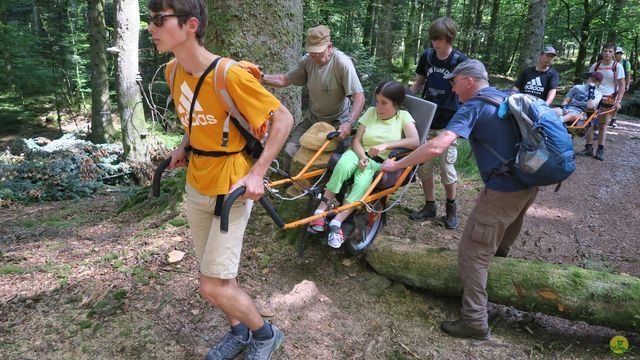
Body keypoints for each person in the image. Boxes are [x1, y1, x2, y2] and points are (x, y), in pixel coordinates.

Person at [147, 1, 294, 359]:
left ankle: (265, 333)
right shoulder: (171, 72)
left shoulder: (227, 74)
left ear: (190, 25)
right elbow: (193, 119)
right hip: (196, 183)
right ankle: (240, 331)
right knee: (218, 277)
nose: (150, 28)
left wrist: (257, 173)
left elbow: (284, 119)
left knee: (211, 285)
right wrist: (185, 146)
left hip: (230, 189)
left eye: (158, 20)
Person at [381, 59, 539, 341]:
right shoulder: (506, 97)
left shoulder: (474, 106)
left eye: (454, 83)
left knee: (472, 252)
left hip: (505, 188)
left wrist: (398, 164)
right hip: (529, 181)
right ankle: (499, 270)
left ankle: (475, 320)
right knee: (506, 230)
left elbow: (438, 145)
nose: (453, 90)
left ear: (468, 81)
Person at [308, 80, 419, 248]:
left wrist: (386, 145)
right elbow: (357, 141)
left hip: (378, 162)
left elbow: (415, 141)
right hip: (358, 153)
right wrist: (361, 157)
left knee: (363, 180)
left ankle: (337, 223)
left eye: (384, 103)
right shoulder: (371, 112)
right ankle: (319, 212)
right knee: (344, 164)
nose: (379, 107)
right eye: (377, 101)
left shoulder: (403, 117)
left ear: (395, 104)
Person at [262, 25, 365, 171]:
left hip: (338, 122)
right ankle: (288, 188)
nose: (314, 57)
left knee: (334, 162)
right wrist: (260, 77)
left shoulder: (342, 63)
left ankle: (323, 192)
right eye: (311, 53)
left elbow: (359, 97)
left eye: (318, 52)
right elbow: (284, 80)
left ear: (329, 46)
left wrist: (349, 123)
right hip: (313, 119)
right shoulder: (307, 61)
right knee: (290, 152)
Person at [408, 17, 468, 229]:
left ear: (449, 38)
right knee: (424, 166)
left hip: (449, 121)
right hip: (427, 119)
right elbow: (419, 83)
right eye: (433, 39)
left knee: (446, 166)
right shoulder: (427, 56)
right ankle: (429, 205)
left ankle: (451, 207)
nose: (435, 43)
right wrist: (404, 98)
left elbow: (465, 92)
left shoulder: (460, 60)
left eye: (439, 39)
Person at [578, 43, 626, 161]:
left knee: (602, 124)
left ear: (614, 53)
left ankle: (600, 149)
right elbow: (590, 81)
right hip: (593, 97)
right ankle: (588, 148)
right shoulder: (596, 65)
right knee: (588, 122)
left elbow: (622, 84)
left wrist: (619, 101)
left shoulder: (617, 66)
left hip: (608, 98)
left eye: (610, 51)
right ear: (602, 52)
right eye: (605, 51)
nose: (607, 54)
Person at [609, 47, 632, 128]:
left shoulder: (626, 63)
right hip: (610, 84)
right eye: (617, 53)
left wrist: (627, 84)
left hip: (620, 84)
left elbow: (628, 74)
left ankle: (613, 119)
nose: (618, 55)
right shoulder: (610, 62)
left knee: (616, 101)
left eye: (620, 54)